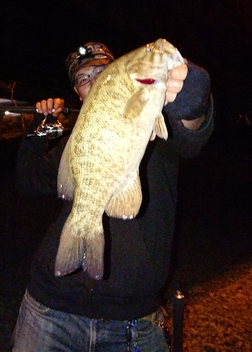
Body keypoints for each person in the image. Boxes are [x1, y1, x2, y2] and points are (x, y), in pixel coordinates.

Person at [11, 41, 213, 352]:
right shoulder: (74, 143)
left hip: (132, 320)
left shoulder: (153, 122)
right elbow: (28, 181)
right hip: (49, 309)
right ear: (78, 93)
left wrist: (192, 102)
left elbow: (190, 135)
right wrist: (42, 129)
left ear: (120, 75)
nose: (93, 79)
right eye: (83, 78)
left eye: (103, 70)